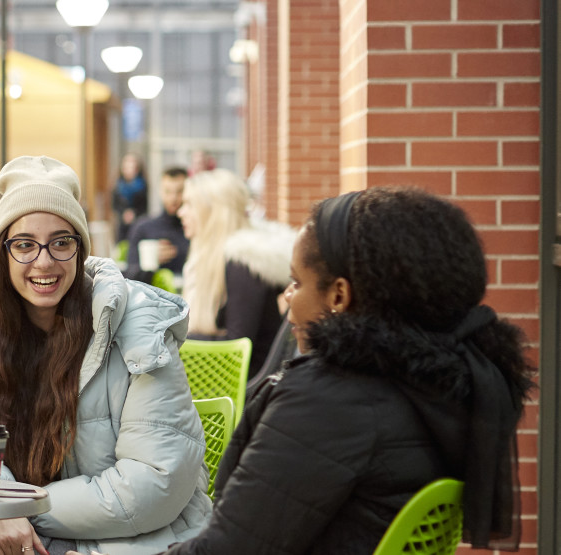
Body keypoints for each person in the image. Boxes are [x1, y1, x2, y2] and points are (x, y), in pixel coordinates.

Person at [162, 187, 534, 553]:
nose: (287, 297)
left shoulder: (328, 400)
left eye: (296, 282)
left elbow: (229, 549)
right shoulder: (451, 383)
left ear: (339, 295)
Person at [0, 156, 210, 555]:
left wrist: (9, 505)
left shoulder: (137, 324)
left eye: (61, 242)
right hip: (34, 532)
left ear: (80, 249)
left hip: (134, 539)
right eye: (25, 245)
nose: (44, 261)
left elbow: (154, 481)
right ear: (2, 255)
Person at [178, 169, 296, 375]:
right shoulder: (208, 258)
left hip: (242, 389)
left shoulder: (243, 262)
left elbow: (236, 346)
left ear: (211, 212)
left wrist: (171, 338)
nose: (181, 212)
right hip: (217, 379)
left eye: (189, 204)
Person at [121, 167, 189, 285]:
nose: (173, 198)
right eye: (168, 191)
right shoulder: (143, 228)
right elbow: (128, 276)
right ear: (160, 192)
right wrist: (150, 263)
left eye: (180, 191)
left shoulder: (196, 229)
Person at [113, 154, 147, 239]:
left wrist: (133, 213)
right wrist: (123, 213)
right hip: (122, 226)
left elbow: (144, 207)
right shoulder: (117, 186)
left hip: (138, 224)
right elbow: (114, 206)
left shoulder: (142, 185)